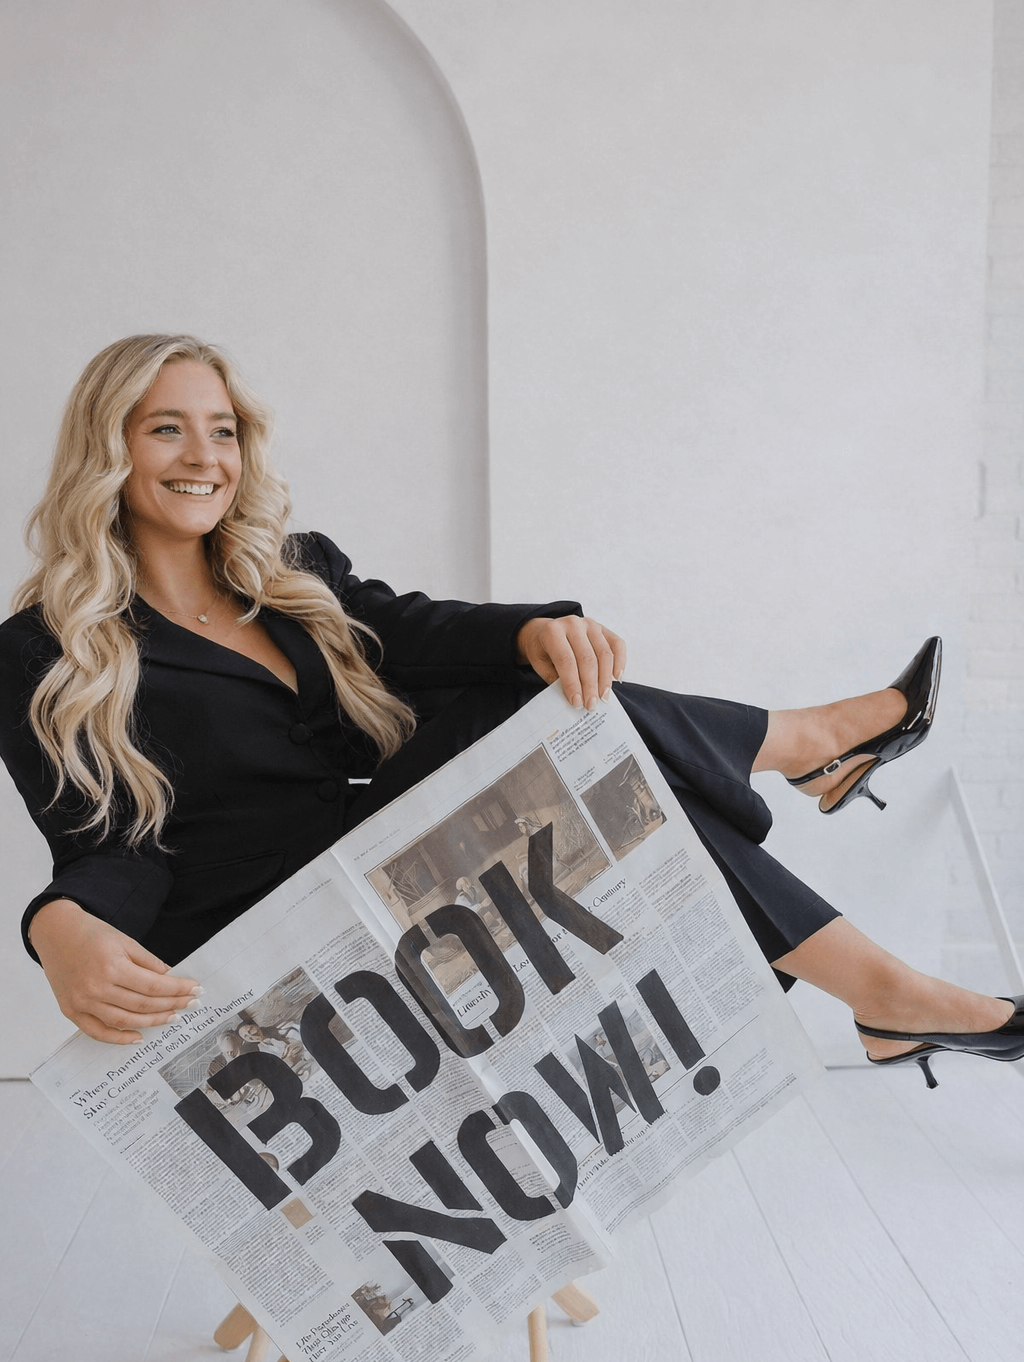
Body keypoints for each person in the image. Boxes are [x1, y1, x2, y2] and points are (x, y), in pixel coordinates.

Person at [1, 333, 1020, 1093]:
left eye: (221, 429)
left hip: (396, 862)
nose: (203, 454)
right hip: (276, 925)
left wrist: (535, 630)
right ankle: (811, 773)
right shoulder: (45, 646)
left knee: (550, 713)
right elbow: (102, 845)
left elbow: (414, 627)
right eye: (166, 427)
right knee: (521, 718)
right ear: (111, 447)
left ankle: (878, 976)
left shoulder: (292, 571)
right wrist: (59, 928)